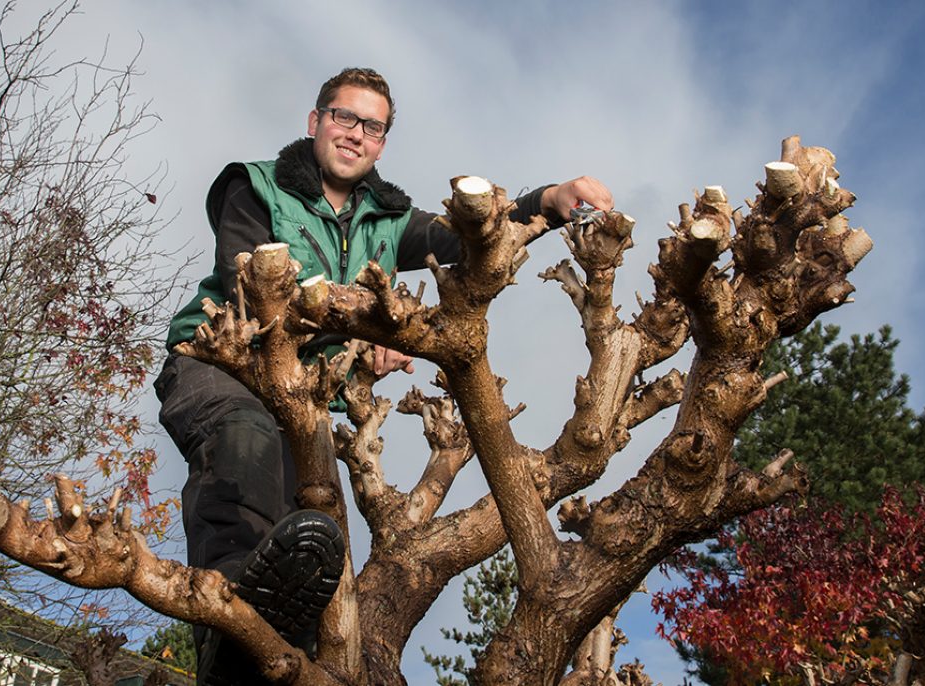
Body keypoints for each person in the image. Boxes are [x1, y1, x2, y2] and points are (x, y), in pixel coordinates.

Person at [155, 67, 612, 684]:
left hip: (301, 394)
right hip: (222, 368)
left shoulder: (389, 219)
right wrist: (364, 329)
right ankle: (229, 621)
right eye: (345, 118)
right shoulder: (254, 186)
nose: (356, 135)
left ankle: (279, 656)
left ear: (383, 143)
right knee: (243, 442)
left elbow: (463, 236)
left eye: (373, 126)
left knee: (314, 527)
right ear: (316, 122)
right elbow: (252, 291)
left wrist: (549, 201)